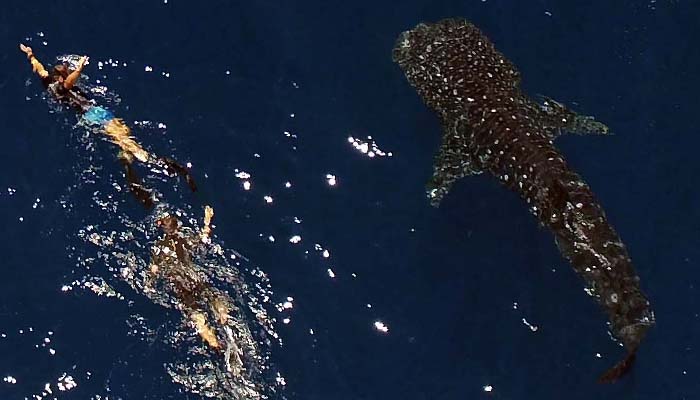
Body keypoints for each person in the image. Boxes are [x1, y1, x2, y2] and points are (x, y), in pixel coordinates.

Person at [19, 44, 197, 208]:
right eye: (65, 71)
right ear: (60, 78)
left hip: (92, 115)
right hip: (94, 115)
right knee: (131, 144)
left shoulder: (48, 81)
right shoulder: (60, 87)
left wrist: (30, 54)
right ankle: (159, 165)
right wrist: (80, 68)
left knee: (125, 135)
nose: (68, 70)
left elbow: (39, 68)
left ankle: (128, 159)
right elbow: (68, 84)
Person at [146, 206, 244, 375]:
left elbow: (153, 270)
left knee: (198, 318)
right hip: (195, 280)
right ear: (177, 228)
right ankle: (224, 317)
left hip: (181, 288)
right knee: (215, 297)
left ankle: (217, 347)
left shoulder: (157, 247)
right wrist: (207, 219)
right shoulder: (185, 239)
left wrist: (150, 284)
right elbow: (204, 237)